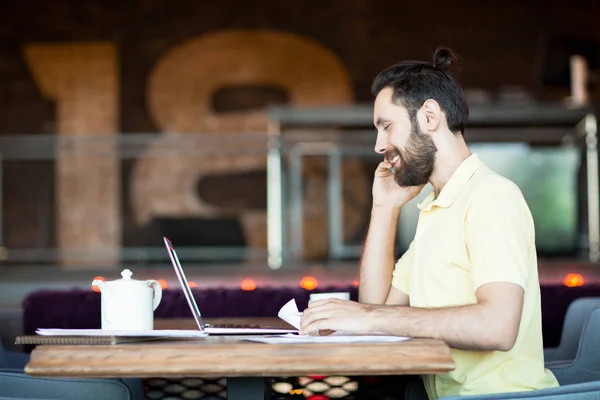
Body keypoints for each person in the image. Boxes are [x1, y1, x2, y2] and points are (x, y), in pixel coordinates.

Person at [299, 48, 559, 399]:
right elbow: (380, 308)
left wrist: (369, 318)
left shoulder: (491, 196)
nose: (379, 145)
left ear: (430, 116)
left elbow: (498, 326)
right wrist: (384, 207)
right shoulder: (437, 208)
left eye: (387, 126)